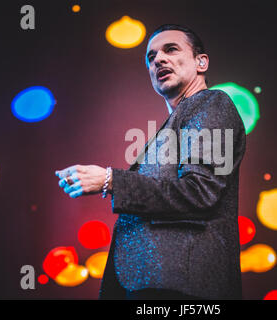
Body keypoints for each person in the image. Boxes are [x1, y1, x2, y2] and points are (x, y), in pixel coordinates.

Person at [55, 24, 246, 300]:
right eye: (151, 56)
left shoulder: (212, 103)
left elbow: (200, 192)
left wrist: (111, 180)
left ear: (201, 62)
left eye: (171, 49)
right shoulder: (178, 121)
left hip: (181, 288)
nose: (158, 59)